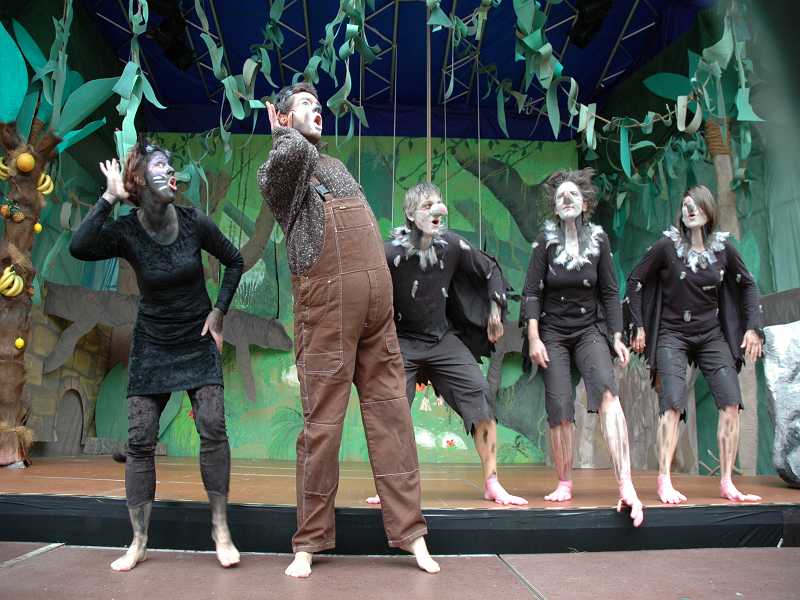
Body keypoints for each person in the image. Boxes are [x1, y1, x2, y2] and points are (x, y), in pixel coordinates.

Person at [256, 82, 438, 578]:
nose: (317, 110)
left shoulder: (333, 165)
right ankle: (309, 541)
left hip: (376, 317)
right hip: (326, 312)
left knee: (394, 419)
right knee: (322, 428)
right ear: (282, 118)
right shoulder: (282, 169)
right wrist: (283, 133)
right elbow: (285, 161)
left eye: (318, 105)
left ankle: (412, 533)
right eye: (305, 105)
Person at [70, 141, 243, 570]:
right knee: (140, 439)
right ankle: (139, 540)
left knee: (212, 427)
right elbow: (80, 246)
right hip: (152, 344)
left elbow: (234, 260)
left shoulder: (194, 222)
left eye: (171, 165)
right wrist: (109, 196)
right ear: (139, 181)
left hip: (196, 339)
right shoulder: (127, 230)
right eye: (160, 165)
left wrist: (219, 312)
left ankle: (221, 528)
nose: (170, 171)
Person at [368, 182, 526, 506]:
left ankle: (492, 483)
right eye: (427, 206)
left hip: (442, 339)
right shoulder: (390, 253)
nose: (436, 210)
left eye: (438, 203)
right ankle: (390, 488)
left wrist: (496, 310)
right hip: (402, 342)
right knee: (391, 411)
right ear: (410, 214)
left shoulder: (452, 245)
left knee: (480, 396)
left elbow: (490, 269)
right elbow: (365, 291)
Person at [521, 168, 643, 527]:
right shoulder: (544, 242)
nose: (567, 199)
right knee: (559, 405)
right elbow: (531, 292)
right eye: (561, 196)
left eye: (573, 194)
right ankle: (564, 481)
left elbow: (610, 291)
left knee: (607, 391)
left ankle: (626, 484)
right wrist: (534, 338)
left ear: (585, 203)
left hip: (590, 328)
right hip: (553, 331)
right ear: (555, 207)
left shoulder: (599, 241)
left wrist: (617, 336)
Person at [627, 184, 763, 504]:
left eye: (696, 205)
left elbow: (748, 285)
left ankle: (727, 482)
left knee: (731, 402)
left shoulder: (724, 249)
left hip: (710, 333)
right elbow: (635, 280)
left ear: (708, 210)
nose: (690, 210)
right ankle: (664, 479)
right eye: (686, 205)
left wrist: (753, 328)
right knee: (673, 402)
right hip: (672, 333)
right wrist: (639, 326)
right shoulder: (667, 247)